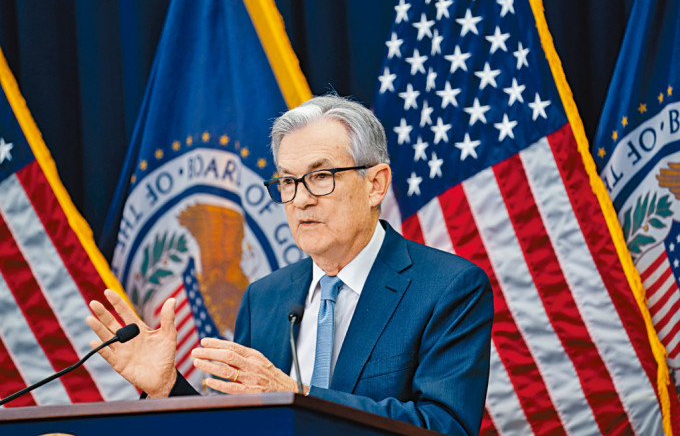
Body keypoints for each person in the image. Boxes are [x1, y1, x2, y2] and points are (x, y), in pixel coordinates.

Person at [87, 94, 493, 435]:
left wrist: (298, 397)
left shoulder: (448, 288)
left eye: (321, 177)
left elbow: (446, 427)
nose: (300, 200)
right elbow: (236, 431)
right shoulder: (264, 298)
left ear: (375, 184)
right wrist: (167, 388)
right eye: (287, 182)